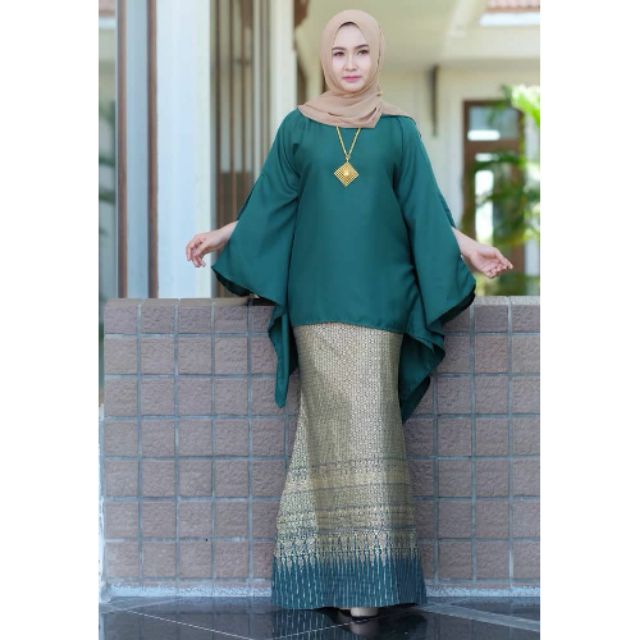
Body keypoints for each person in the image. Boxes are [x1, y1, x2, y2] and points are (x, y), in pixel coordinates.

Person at [185, 8, 512, 622]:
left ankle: (357, 576)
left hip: (381, 300)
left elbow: (424, 209)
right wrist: (224, 235)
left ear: (376, 55)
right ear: (325, 59)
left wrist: (469, 247)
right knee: (332, 432)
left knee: (368, 428)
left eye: (362, 51)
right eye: (339, 52)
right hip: (317, 303)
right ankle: (335, 576)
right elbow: (271, 204)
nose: (351, 63)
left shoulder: (400, 131)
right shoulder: (299, 128)